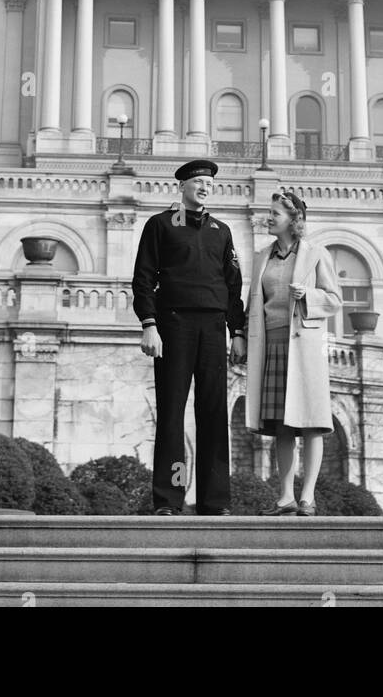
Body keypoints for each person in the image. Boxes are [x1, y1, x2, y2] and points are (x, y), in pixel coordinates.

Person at [132, 159, 246, 515]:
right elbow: (143, 278)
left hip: (213, 328)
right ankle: (170, 498)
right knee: (172, 414)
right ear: (181, 186)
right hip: (173, 326)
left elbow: (233, 286)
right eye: (197, 181)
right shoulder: (160, 225)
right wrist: (149, 324)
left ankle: (215, 501)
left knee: (214, 414)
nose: (204, 187)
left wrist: (237, 331)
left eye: (209, 183)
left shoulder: (221, 230)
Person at [242, 190, 342, 516]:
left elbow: (334, 299)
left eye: (275, 213)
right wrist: (241, 336)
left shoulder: (316, 254)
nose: (269, 218)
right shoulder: (261, 257)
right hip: (270, 345)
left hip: (304, 347)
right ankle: (285, 496)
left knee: (312, 422)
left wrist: (308, 295)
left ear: (293, 219)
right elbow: (251, 305)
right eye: (269, 212)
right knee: (280, 426)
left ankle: (307, 497)